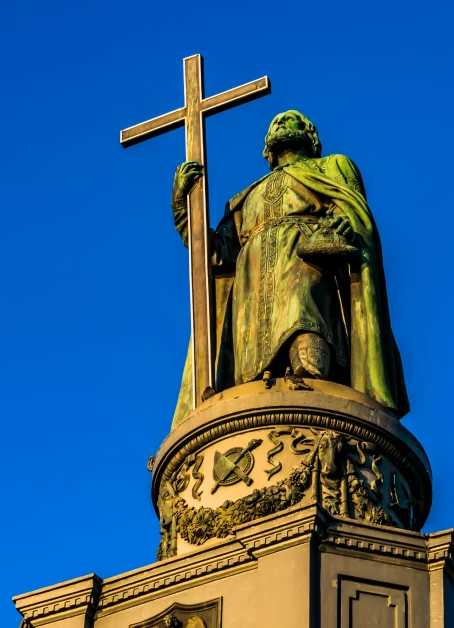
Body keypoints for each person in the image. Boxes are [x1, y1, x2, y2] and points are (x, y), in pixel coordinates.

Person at [171, 111, 409, 426]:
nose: (282, 123)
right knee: (250, 358)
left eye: (292, 119)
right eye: (275, 122)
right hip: (252, 283)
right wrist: (183, 205)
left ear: (310, 135)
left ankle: (311, 381)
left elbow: (353, 211)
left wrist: (346, 224)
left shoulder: (331, 166)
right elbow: (215, 253)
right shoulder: (244, 199)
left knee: (304, 315)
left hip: (306, 258)